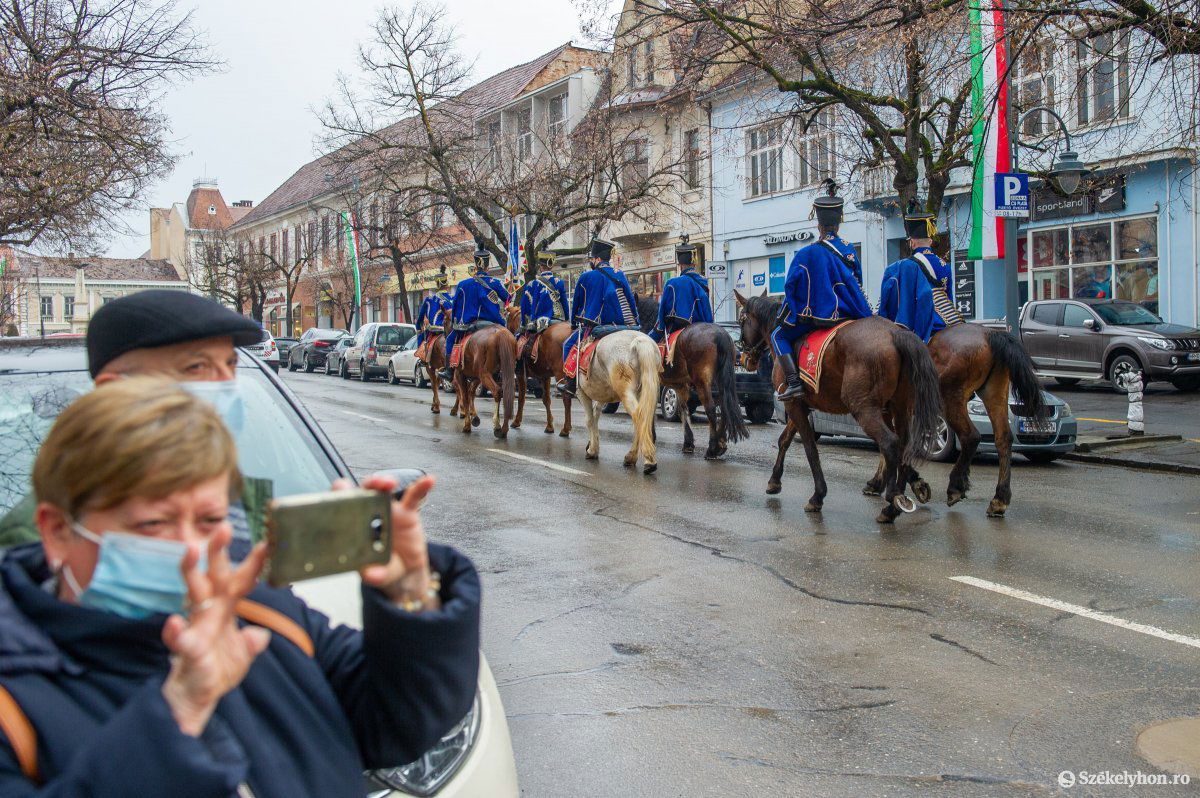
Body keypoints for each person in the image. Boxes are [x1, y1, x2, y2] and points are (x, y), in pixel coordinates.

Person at [0, 378, 480, 795]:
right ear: (57, 532)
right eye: (152, 524)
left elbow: (400, 720)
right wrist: (181, 709)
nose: (190, 548)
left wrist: (410, 590)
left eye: (209, 519)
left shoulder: (260, 612)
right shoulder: (14, 696)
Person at [0, 290, 268, 550]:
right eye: (196, 367)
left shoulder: (235, 493)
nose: (228, 385)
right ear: (113, 390)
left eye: (230, 364)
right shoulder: (47, 533)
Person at [773, 183, 873, 400]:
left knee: (777, 335)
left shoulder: (808, 254)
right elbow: (858, 283)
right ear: (838, 223)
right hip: (850, 313)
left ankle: (794, 383)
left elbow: (791, 287)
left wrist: (792, 313)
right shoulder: (849, 250)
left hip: (820, 318)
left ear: (819, 225)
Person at [560, 238, 639, 397]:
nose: (591, 261)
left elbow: (577, 304)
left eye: (592, 259)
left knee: (568, 345)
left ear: (597, 259)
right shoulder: (620, 275)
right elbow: (630, 300)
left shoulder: (586, 277)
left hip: (597, 325)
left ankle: (569, 382)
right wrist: (636, 321)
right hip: (622, 325)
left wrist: (575, 323)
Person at [878, 210, 963, 343]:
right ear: (930, 241)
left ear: (912, 242)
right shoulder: (944, 265)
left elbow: (899, 299)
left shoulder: (906, 265)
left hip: (923, 323)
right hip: (948, 319)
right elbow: (949, 296)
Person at [441, 239, 510, 380]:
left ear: (476, 264)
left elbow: (456, 307)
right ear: (487, 265)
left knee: (449, 340)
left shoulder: (463, 285)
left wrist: (456, 322)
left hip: (469, 324)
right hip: (493, 323)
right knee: (512, 340)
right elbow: (508, 300)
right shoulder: (495, 283)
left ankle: (449, 370)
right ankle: (515, 367)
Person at [649, 238, 712, 343]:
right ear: (694, 264)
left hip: (678, 329)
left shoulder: (672, 283)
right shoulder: (704, 282)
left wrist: (658, 330)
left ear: (680, 266)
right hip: (705, 327)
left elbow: (663, 312)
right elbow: (706, 310)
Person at [517, 252, 569, 359]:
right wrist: (567, 319)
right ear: (552, 266)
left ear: (540, 267)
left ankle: (520, 367)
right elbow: (565, 303)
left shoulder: (532, 284)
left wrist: (523, 324)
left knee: (523, 349)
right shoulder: (559, 282)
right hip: (557, 320)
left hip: (539, 323)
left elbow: (525, 306)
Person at [415, 265, 454, 355]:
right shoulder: (454, 297)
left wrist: (420, 340)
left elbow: (420, 321)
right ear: (447, 283)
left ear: (437, 284)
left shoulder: (429, 299)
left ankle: (422, 354)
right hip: (452, 330)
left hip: (435, 331)